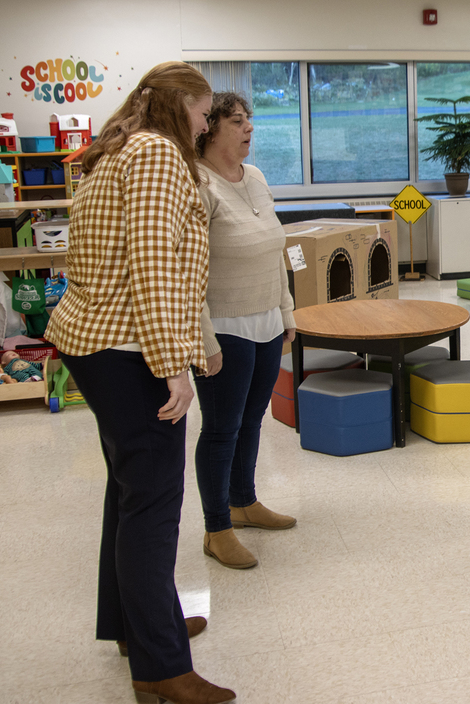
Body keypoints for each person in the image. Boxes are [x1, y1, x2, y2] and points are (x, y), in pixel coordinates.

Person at [46, 62, 236, 703]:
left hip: (96, 341)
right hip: (129, 349)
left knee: (128, 493)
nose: (205, 126)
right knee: (153, 502)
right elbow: (153, 266)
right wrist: (172, 364)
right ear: (178, 106)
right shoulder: (155, 153)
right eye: (203, 113)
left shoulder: (117, 147)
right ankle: (160, 667)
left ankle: (136, 625)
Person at [193, 92, 297, 570]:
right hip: (224, 325)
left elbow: (275, 249)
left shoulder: (255, 176)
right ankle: (217, 529)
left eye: (248, 119)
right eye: (237, 121)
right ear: (210, 128)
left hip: (267, 320)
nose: (248, 128)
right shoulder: (197, 183)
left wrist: (287, 312)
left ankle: (243, 502)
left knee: (252, 419)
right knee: (221, 429)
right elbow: (186, 271)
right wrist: (204, 338)